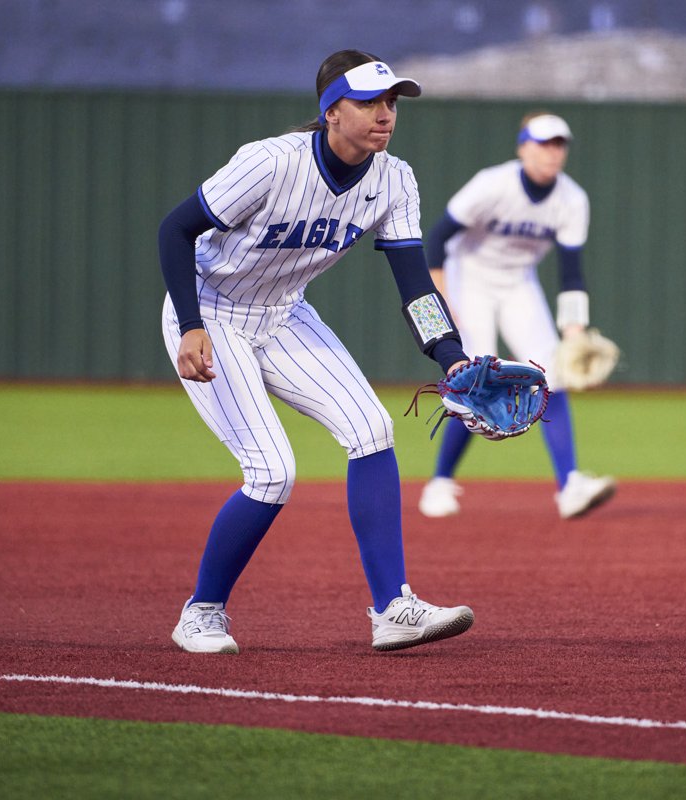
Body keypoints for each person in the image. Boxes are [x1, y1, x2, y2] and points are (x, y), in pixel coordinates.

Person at [158, 49, 481, 654]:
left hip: (283, 313)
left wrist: (451, 355)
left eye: (392, 102)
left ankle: (393, 610)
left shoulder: (395, 178)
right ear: (332, 112)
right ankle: (201, 612)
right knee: (272, 471)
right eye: (369, 103)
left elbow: (416, 283)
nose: (385, 114)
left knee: (373, 427)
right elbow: (174, 229)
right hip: (210, 310)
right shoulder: (270, 162)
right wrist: (192, 326)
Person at [418, 112, 616, 521]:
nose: (552, 152)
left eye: (559, 144)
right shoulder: (493, 184)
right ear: (523, 147)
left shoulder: (571, 200)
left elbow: (571, 270)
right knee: (476, 378)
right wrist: (441, 295)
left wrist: (574, 330)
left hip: (517, 284)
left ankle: (570, 487)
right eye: (543, 143)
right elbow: (437, 237)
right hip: (467, 277)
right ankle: (439, 483)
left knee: (553, 374)